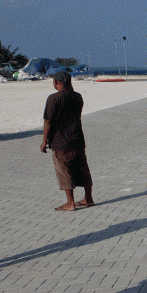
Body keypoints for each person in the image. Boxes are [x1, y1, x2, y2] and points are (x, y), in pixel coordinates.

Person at [41, 70, 95, 211]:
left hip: (60, 141)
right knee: (83, 169)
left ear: (56, 82)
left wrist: (44, 141)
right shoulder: (78, 97)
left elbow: (48, 121)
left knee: (64, 171)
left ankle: (70, 203)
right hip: (77, 139)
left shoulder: (54, 98)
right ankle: (88, 198)